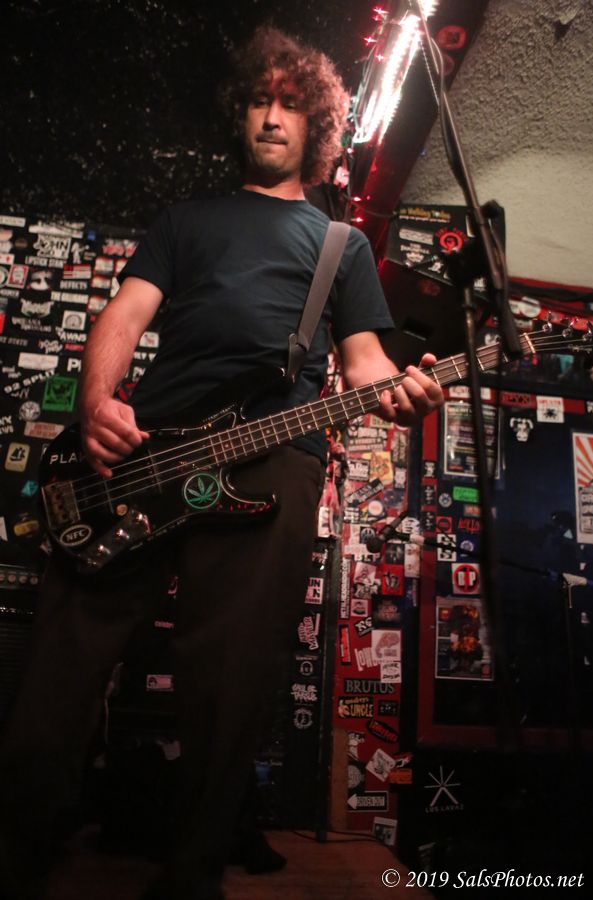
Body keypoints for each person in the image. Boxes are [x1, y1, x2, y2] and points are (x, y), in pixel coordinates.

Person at [0, 25, 443, 900]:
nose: (272, 116)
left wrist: (405, 390)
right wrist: (97, 404)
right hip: (145, 451)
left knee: (230, 678)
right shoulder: (187, 220)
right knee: (64, 658)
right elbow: (123, 316)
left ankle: (191, 873)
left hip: (273, 457)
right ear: (239, 113)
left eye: (291, 104)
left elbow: (364, 367)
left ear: (318, 127)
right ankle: (15, 850)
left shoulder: (341, 246)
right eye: (259, 100)